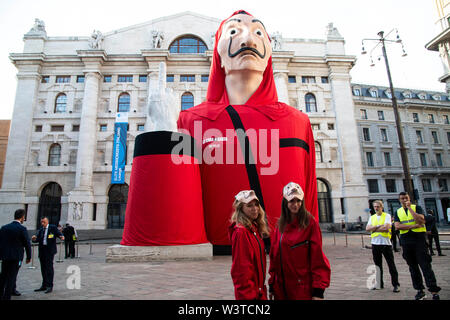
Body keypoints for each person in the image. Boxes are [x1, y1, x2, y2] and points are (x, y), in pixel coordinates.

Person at [121, 10, 319, 249]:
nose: (248, 40)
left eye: (258, 32)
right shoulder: (190, 121)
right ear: (218, 55)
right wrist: (163, 135)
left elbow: (309, 195)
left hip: (289, 251)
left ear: (269, 54)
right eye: (233, 31)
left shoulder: (298, 121)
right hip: (212, 254)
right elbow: (171, 198)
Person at [268, 182, 330, 300]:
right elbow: (274, 257)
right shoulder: (279, 226)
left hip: (301, 290)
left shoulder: (310, 224)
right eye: (291, 201)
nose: (295, 204)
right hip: (281, 290)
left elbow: (318, 258)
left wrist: (318, 291)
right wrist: (272, 284)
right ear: (285, 202)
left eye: (298, 200)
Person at [394, 192, 441, 300]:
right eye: (402, 199)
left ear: (409, 198)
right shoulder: (398, 212)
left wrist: (410, 209)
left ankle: (434, 291)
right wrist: (413, 225)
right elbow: (397, 226)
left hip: (419, 239)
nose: (404, 200)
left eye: (406, 198)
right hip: (406, 240)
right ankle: (420, 290)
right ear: (399, 200)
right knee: (413, 267)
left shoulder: (417, 208)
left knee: (425, 266)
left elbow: (421, 220)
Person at [229, 190, 270, 300]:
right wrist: (248, 296)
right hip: (250, 295)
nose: (255, 208)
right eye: (249, 206)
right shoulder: (241, 232)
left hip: (259, 292)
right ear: (241, 209)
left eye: (256, 204)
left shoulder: (253, 229)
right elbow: (240, 271)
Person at [365, 200, 400, 292]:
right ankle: (379, 284)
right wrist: (379, 226)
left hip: (385, 244)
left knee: (391, 265)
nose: (376, 208)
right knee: (377, 265)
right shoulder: (372, 217)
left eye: (378, 206)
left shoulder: (387, 216)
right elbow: (367, 228)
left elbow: (386, 228)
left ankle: (396, 284)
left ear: (382, 207)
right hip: (375, 244)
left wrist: (374, 228)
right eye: (375, 206)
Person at [0, 209, 31, 300]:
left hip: (5, 257)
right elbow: (27, 244)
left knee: (3, 276)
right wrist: (29, 256)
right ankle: (7, 296)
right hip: (16, 257)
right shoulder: (22, 229)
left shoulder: (4, 227)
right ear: (22, 217)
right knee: (12, 277)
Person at [31, 216, 64, 294]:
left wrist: (61, 236)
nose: (43, 224)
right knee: (43, 268)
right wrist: (34, 239)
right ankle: (44, 285)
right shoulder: (41, 229)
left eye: (44, 222)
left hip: (50, 251)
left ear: (47, 222)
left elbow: (58, 233)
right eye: (42, 222)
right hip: (42, 251)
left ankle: (50, 285)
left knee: (49, 268)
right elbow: (38, 239)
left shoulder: (52, 227)